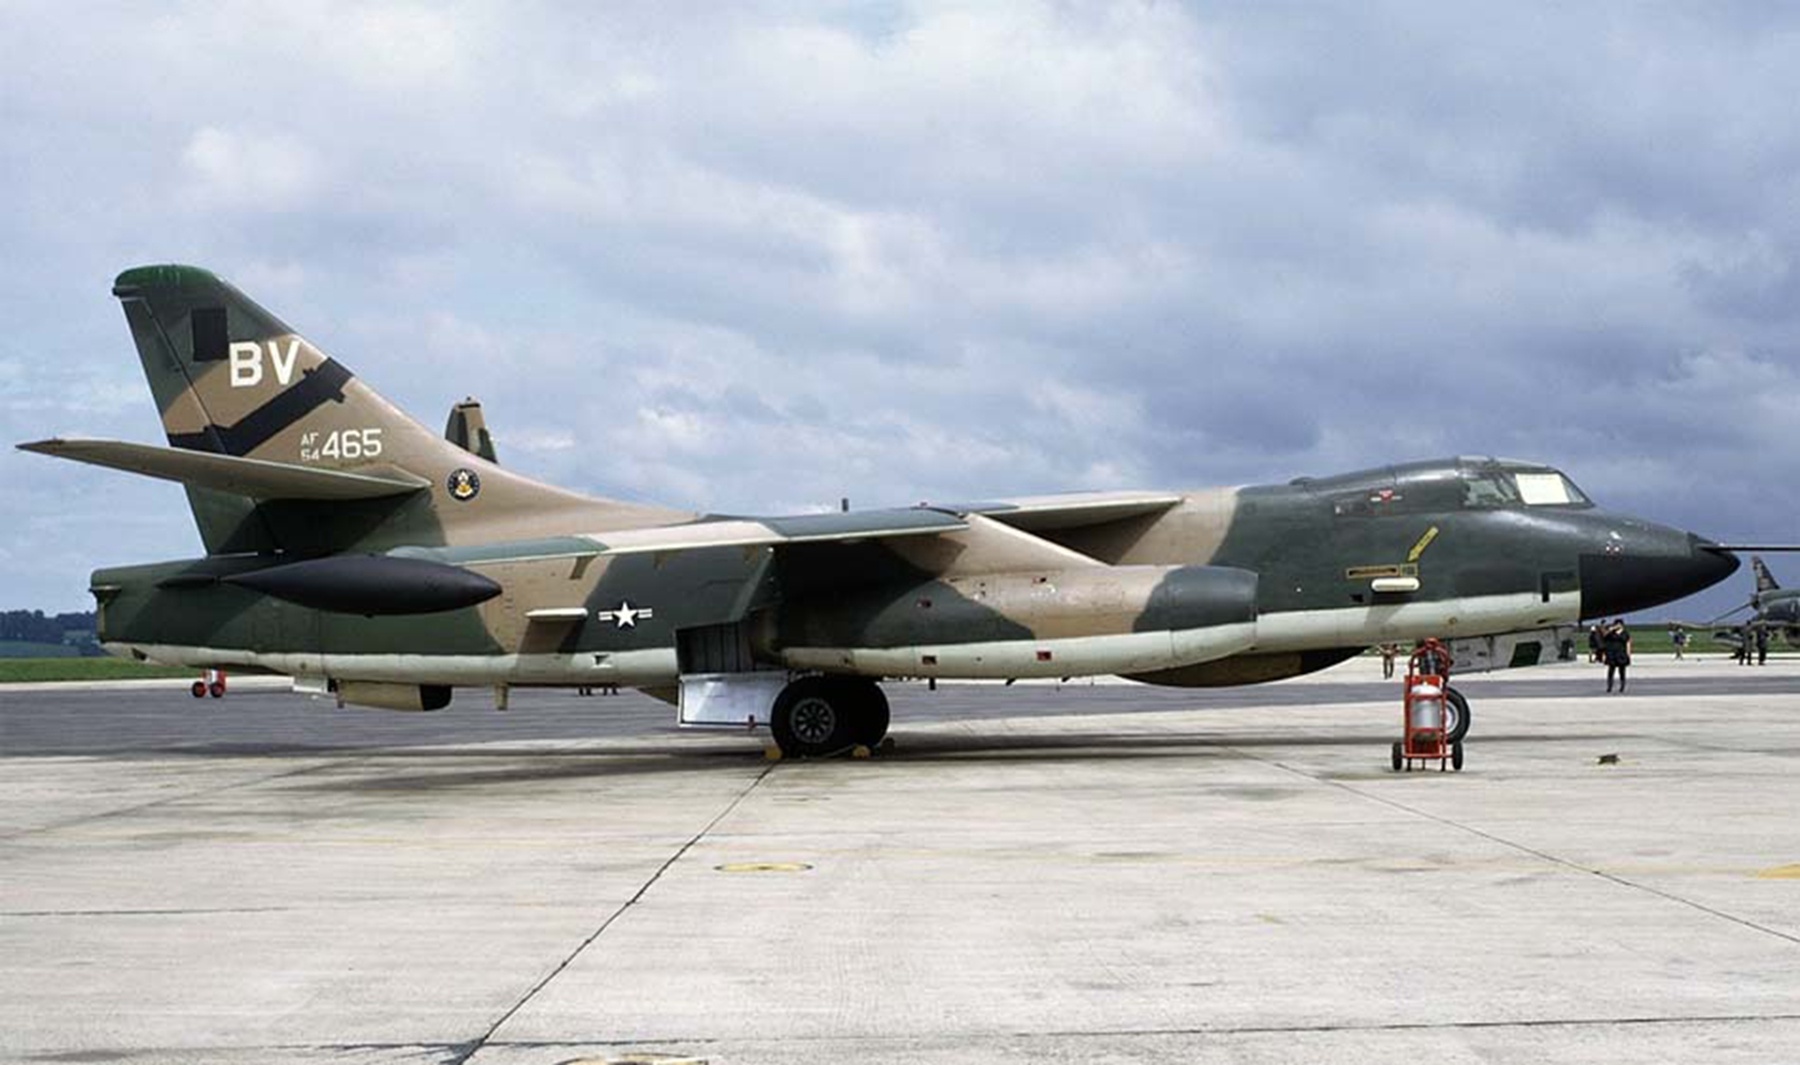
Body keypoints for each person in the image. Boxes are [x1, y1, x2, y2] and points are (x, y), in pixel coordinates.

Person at [1602, 619, 1632, 693]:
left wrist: (1628, 654)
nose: (1617, 626)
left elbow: (1628, 643)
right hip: (1612, 653)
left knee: (1622, 671)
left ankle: (1622, 686)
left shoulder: (1625, 633)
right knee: (1611, 671)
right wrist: (1610, 630)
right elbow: (1604, 636)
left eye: (1619, 624)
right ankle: (1609, 686)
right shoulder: (1611, 633)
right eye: (1616, 624)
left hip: (1621, 653)